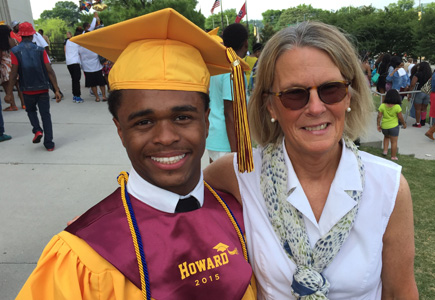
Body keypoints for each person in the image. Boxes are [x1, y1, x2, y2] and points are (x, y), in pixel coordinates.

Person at [15, 9, 256, 300]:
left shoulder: (242, 215)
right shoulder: (84, 253)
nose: (166, 137)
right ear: (120, 130)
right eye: (143, 122)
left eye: (183, 117)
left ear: (206, 120)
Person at [204, 21, 419, 299]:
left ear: (349, 96)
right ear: (270, 105)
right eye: (295, 94)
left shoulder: (389, 187)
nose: (316, 108)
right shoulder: (238, 174)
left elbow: (399, 292)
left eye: (331, 89)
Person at [4, 22, 62, 151]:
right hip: (42, 88)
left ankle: (37, 130)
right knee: (45, 115)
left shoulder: (15, 51)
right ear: (31, 35)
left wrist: (9, 93)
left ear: (20, 35)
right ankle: (49, 144)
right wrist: (56, 89)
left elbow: (13, 74)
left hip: (27, 89)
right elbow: (49, 70)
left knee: (30, 111)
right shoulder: (40, 50)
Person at [206, 23, 248, 162]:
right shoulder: (234, 68)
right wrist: (236, 154)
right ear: (245, 44)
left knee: (215, 183)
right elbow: (230, 112)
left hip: (214, 138)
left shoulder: (218, 65)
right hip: (227, 143)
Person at [0, 24, 25, 110]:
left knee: (7, 86)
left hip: (5, 66)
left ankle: (12, 105)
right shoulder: (14, 40)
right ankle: (23, 103)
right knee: (18, 85)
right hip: (14, 64)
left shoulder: (1, 42)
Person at [377, 89, 407, 160]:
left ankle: (385, 150)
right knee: (394, 142)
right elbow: (400, 117)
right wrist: (404, 124)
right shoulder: (397, 107)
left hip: (384, 126)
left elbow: (379, 116)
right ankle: (393, 156)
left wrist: (378, 124)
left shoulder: (382, 106)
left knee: (386, 137)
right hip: (394, 127)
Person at [78, 33, 107, 102]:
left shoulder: (80, 48)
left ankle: (97, 97)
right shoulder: (94, 46)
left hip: (87, 68)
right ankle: (104, 96)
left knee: (92, 84)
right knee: (101, 83)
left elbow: (79, 56)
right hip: (97, 66)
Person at [65, 27, 83, 103]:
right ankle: (78, 97)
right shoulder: (78, 43)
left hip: (69, 63)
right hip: (75, 62)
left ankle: (75, 96)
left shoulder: (68, 41)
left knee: (73, 79)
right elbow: (81, 52)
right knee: (77, 80)